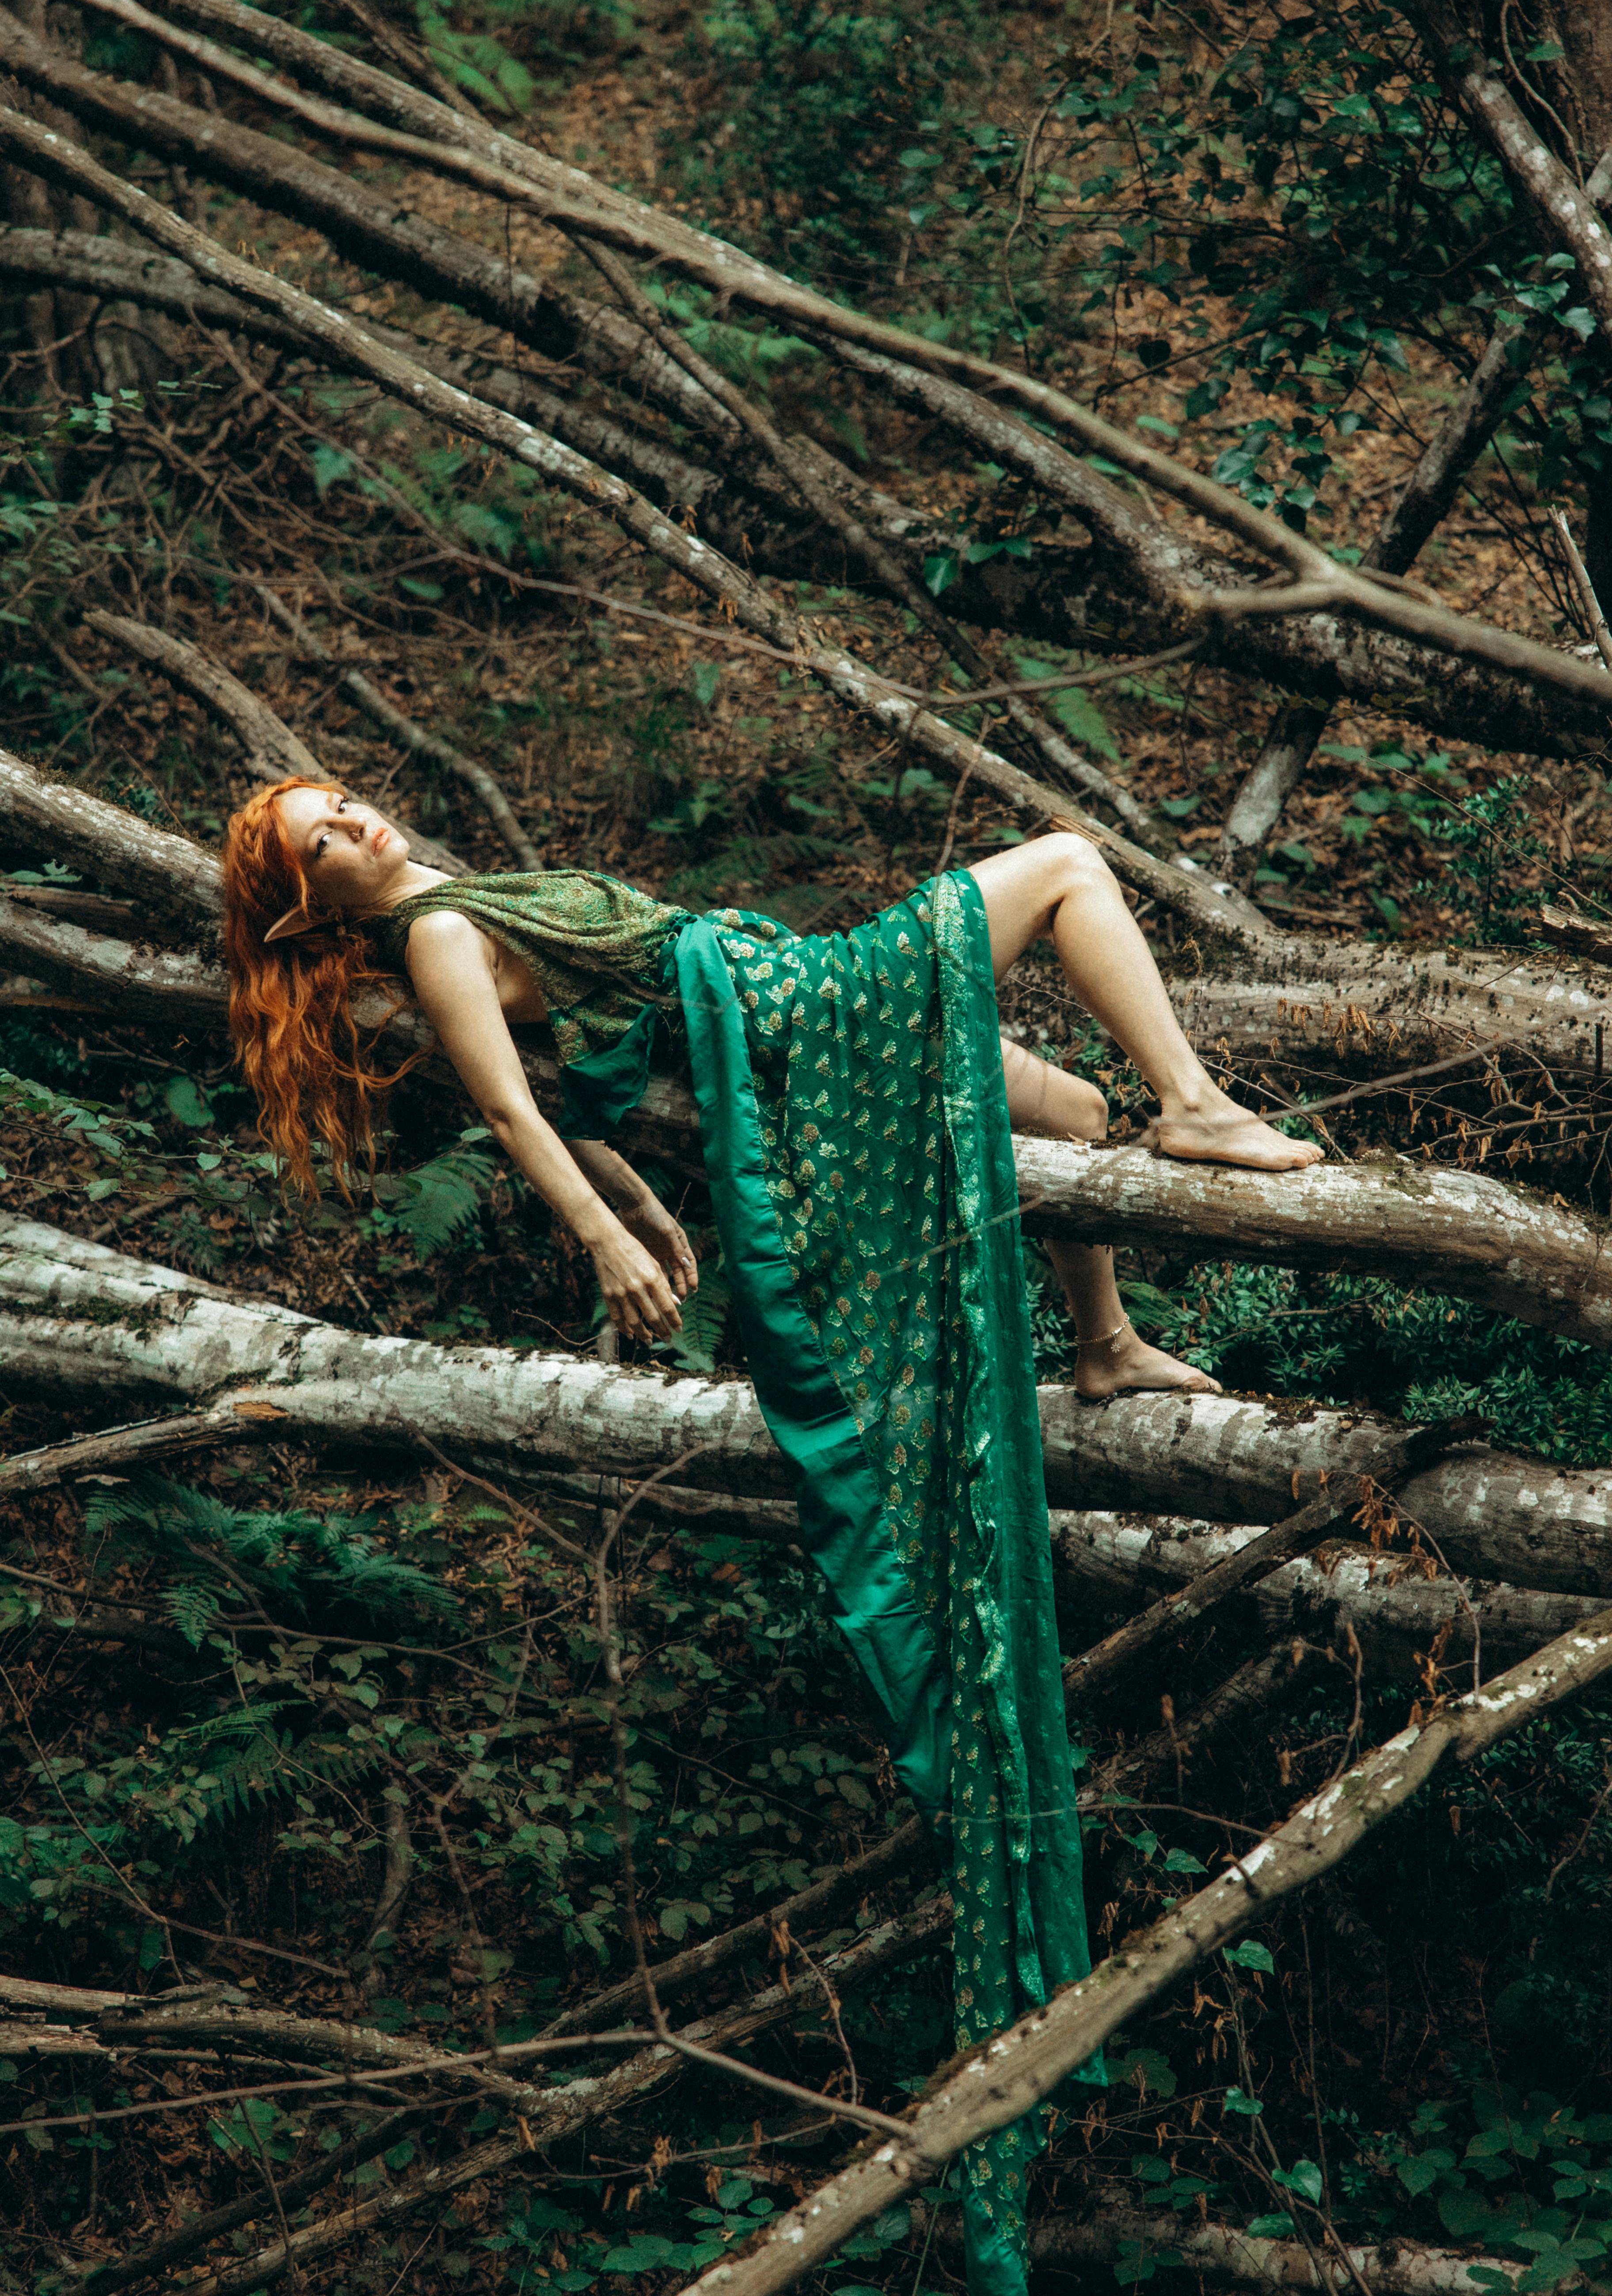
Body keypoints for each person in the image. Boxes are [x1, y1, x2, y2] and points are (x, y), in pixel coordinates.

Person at [222, 778, 1322, 2296]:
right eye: (317, 841)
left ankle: (1108, 1340)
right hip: (800, 1007)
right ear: (305, 903)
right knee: (1069, 861)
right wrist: (607, 1234)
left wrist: (635, 1194)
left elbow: (563, 1070)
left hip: (774, 998)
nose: (355, 825)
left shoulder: (458, 912)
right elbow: (507, 1103)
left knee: (1068, 1116)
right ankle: (1201, 1107)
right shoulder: (439, 941)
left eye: (342, 800)